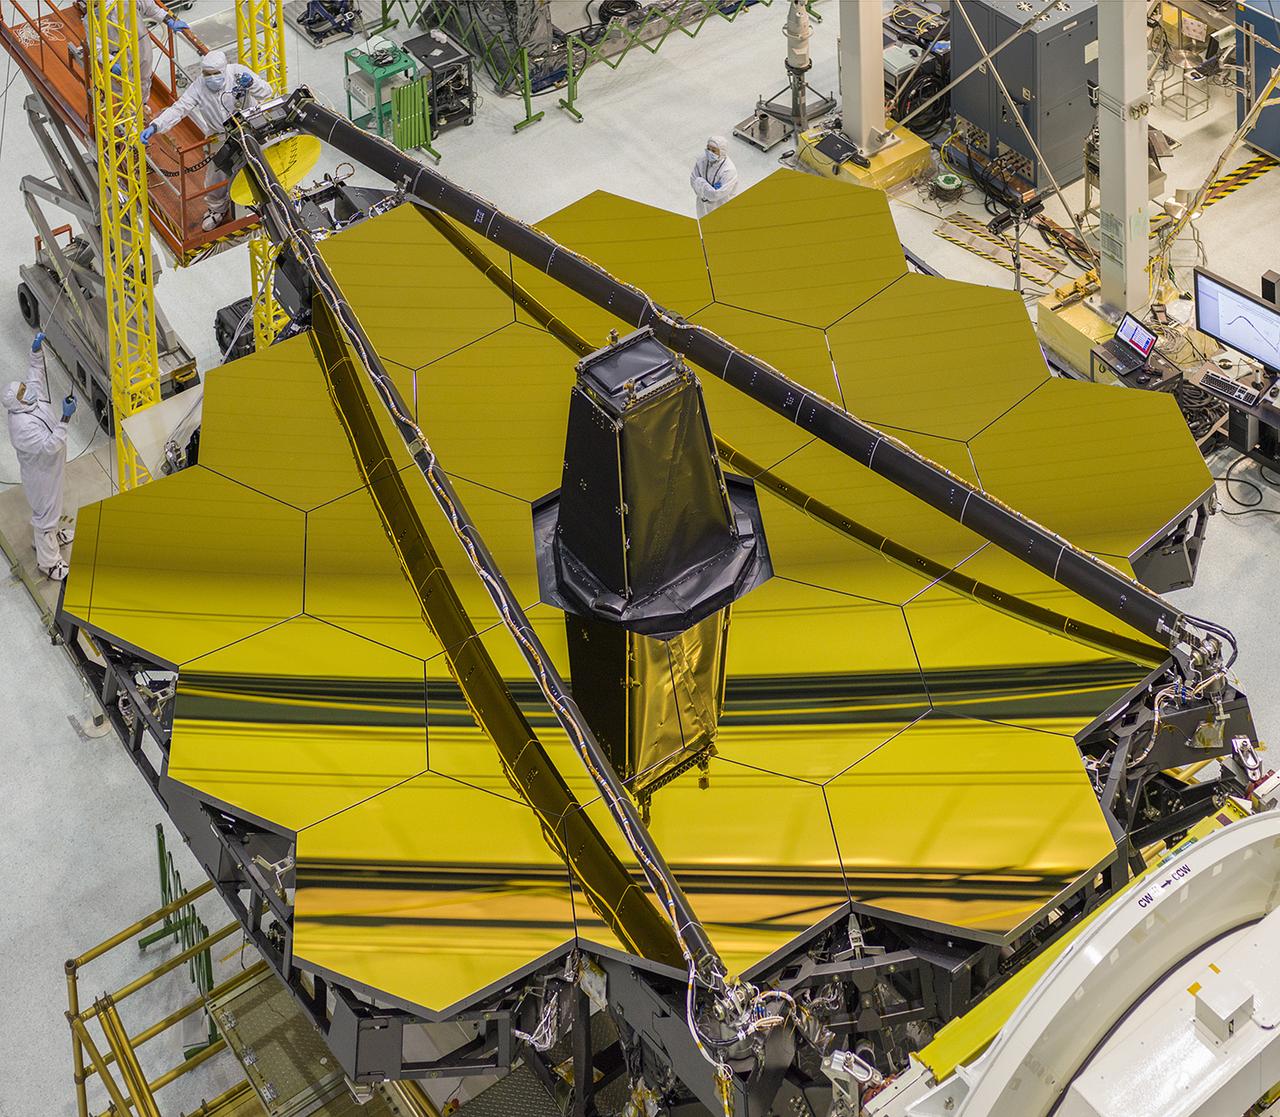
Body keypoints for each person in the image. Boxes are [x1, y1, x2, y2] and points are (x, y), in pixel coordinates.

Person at [141, 50, 272, 232]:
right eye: (207, 74)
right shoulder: (199, 86)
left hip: (250, 128)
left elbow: (267, 91)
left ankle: (268, 198)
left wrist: (251, 85)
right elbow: (180, 108)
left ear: (224, 69)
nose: (211, 78)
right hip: (220, 136)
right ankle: (216, 210)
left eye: (215, 74)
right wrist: (156, 126)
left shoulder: (238, 73)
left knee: (261, 165)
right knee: (215, 175)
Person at [4, 332, 77, 582]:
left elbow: (36, 374)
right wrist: (66, 418)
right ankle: (49, 562)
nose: (28, 390)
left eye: (24, 388)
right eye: (24, 391)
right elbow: (49, 445)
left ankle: (51, 538)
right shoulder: (21, 427)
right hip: (41, 475)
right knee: (46, 514)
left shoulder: (27, 401)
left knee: (54, 509)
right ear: (17, 403)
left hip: (51, 468)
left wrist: (36, 350)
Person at [76, 0, 189, 103]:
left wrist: (169, 20)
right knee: (122, 88)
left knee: (144, 78)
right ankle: (127, 115)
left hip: (140, 44)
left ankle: (143, 104)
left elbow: (151, 8)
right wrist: (110, 62)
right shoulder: (92, 19)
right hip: (117, 55)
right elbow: (96, 47)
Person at [690, 135, 739, 219]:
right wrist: (707, 190)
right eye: (708, 149)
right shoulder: (702, 160)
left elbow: (716, 195)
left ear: (722, 152)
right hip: (702, 204)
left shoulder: (728, 170)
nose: (709, 152)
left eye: (714, 151)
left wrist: (701, 183)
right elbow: (693, 180)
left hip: (721, 206)